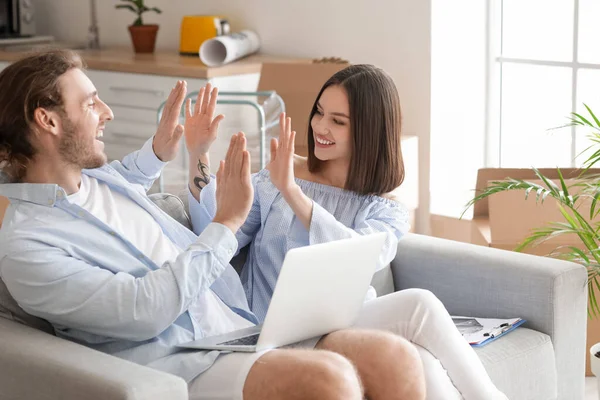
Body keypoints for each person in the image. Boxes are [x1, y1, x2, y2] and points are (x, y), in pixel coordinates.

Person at [0, 49, 429, 400]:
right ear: (48, 121)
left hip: (236, 324)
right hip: (182, 355)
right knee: (329, 381)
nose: (107, 112)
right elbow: (144, 309)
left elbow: (128, 174)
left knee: (396, 358)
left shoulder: (90, 180)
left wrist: (165, 149)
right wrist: (226, 223)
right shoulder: (27, 245)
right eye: (91, 103)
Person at [188, 64, 508, 400]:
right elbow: (219, 229)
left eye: (338, 121)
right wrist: (198, 152)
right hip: (277, 327)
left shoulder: (384, 208)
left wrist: (294, 194)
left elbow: (362, 254)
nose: (320, 127)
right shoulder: (279, 175)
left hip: (346, 320)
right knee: (421, 306)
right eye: (319, 113)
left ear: (368, 132)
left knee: (424, 362)